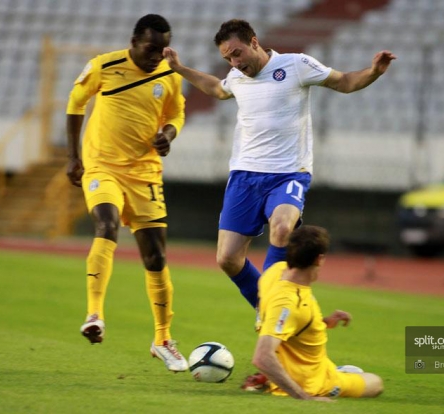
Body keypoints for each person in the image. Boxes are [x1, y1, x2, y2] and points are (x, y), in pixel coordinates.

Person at [163, 19, 396, 309]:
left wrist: (374, 72)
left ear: (254, 42)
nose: (234, 63)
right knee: (227, 258)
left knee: (283, 229)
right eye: (227, 59)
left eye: (237, 53)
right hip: (245, 175)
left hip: (289, 173)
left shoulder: (296, 64)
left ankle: (276, 313)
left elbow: (345, 82)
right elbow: (218, 89)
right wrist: (180, 68)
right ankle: (267, 309)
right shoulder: (236, 77)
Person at [65, 14, 188, 372]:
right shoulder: (104, 66)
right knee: (106, 225)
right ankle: (94, 315)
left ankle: (162, 339)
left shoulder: (169, 75)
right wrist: (73, 156)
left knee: (156, 257)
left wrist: (168, 135)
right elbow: (75, 103)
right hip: (102, 166)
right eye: (150, 49)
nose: (156, 56)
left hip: (144, 173)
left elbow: (176, 115)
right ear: (134, 42)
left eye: (162, 49)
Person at [249, 225, 384, 400]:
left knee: (353, 371)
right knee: (376, 382)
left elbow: (288, 323)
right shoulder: (290, 302)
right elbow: (262, 357)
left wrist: (323, 322)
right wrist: (305, 397)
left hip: (314, 365)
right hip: (313, 382)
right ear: (319, 259)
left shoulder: (275, 272)